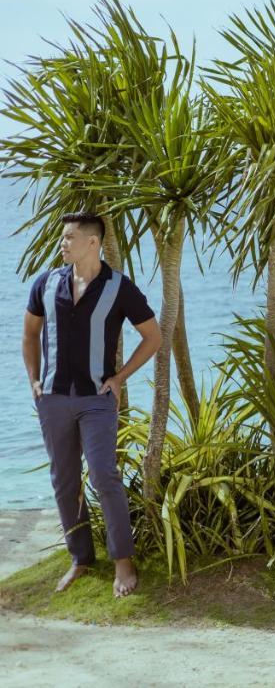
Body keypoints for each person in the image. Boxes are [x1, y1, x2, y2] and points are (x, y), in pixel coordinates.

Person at [22, 212, 161, 597]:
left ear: (92, 242)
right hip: (52, 400)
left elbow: (153, 336)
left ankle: (124, 562)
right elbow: (30, 334)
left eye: (69, 237)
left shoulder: (120, 288)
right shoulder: (46, 283)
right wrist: (34, 380)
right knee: (64, 481)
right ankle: (80, 558)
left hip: (96, 399)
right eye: (62, 237)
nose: (62, 243)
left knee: (103, 475)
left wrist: (120, 378)